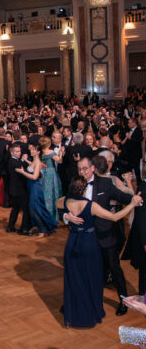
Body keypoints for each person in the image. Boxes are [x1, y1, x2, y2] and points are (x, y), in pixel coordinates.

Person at [56, 176, 142, 328]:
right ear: (84, 189)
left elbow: (57, 202)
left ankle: (73, 312)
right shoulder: (91, 206)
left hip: (72, 243)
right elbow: (115, 217)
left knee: (74, 279)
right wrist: (132, 205)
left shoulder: (67, 201)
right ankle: (89, 313)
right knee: (91, 279)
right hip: (89, 244)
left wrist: (66, 216)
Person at [64, 157, 133, 316]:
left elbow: (122, 197)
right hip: (85, 238)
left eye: (85, 169)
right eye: (79, 169)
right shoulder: (75, 182)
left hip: (105, 235)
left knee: (115, 269)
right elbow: (65, 202)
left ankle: (124, 301)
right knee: (82, 270)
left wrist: (135, 200)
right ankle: (75, 301)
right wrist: (66, 216)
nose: (82, 172)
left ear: (93, 168)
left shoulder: (106, 183)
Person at [15, 144, 58, 238]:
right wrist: (26, 160)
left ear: (38, 152)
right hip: (31, 187)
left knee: (34, 209)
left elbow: (34, 177)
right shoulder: (35, 161)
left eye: (34, 149)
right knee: (35, 208)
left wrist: (23, 172)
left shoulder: (38, 162)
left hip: (35, 187)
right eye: (32, 149)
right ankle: (40, 227)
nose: (31, 151)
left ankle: (43, 229)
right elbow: (31, 166)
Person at [7, 143, 31, 235]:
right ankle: (24, 229)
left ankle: (10, 227)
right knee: (25, 209)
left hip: (15, 189)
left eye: (20, 151)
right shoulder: (14, 162)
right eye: (17, 151)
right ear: (12, 153)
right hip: (19, 189)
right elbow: (24, 169)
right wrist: (24, 160)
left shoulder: (14, 161)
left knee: (16, 209)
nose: (19, 153)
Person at [40, 136, 63, 222]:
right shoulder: (50, 151)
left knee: (45, 193)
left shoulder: (41, 152)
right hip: (51, 173)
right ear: (49, 144)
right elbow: (59, 161)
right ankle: (51, 217)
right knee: (53, 193)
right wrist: (61, 153)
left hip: (43, 173)